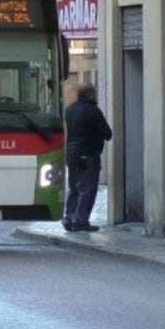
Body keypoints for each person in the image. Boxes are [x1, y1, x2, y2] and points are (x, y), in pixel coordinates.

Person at [63, 83, 112, 232]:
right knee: (87, 189)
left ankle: (69, 218)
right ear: (90, 94)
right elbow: (107, 134)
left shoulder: (69, 110)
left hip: (71, 154)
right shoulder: (93, 111)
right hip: (88, 154)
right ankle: (80, 220)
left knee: (73, 188)